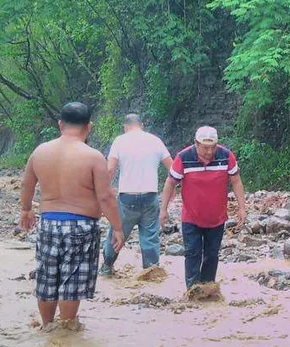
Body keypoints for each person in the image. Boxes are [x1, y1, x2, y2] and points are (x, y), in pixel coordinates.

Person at [19, 102, 123, 328]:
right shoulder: (93, 156)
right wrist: (117, 227)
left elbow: (27, 184)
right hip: (81, 227)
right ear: (89, 127)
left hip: (48, 224)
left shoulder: (40, 152)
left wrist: (26, 210)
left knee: (47, 279)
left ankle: (47, 326)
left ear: (60, 124)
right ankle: (66, 330)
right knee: (71, 283)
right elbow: (105, 197)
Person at [159, 126, 247, 289]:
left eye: (212, 147)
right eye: (205, 147)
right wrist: (163, 209)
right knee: (192, 254)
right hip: (191, 217)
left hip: (217, 218)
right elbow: (170, 182)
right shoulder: (184, 157)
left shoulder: (226, 156)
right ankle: (192, 291)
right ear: (196, 143)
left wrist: (242, 207)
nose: (209, 151)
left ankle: (207, 289)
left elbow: (236, 181)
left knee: (212, 255)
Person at [100, 114, 173, 276]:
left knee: (117, 232)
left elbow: (110, 170)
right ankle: (151, 271)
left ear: (125, 127)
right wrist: (172, 192)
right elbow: (173, 169)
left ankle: (107, 267)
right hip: (150, 196)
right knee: (150, 238)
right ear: (142, 125)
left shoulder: (120, 141)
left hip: (127, 198)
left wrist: (103, 191)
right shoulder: (155, 140)